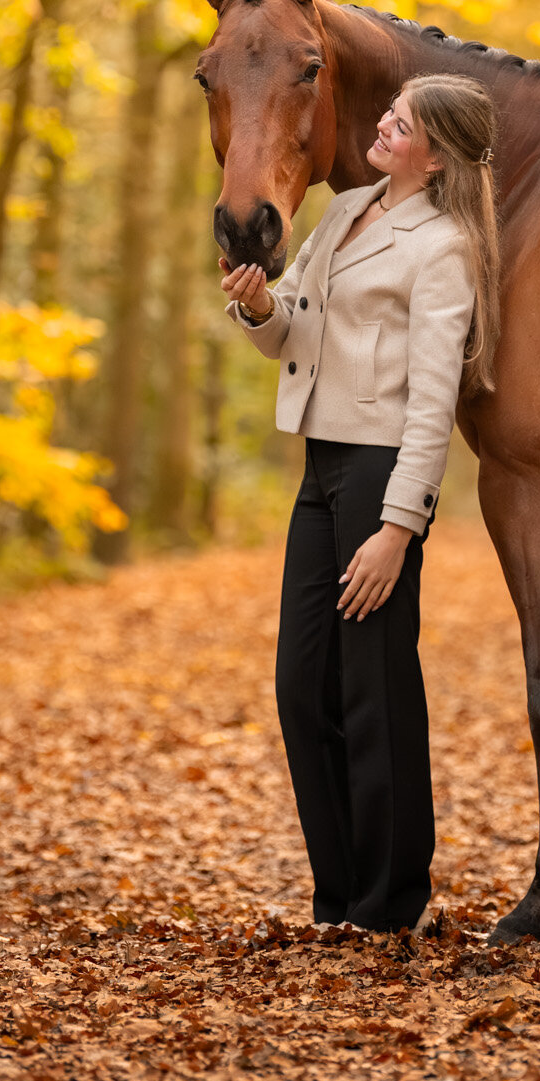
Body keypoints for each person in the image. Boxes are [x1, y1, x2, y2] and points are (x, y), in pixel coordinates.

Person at [220, 73, 500, 932]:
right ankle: (338, 896)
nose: (383, 124)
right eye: (390, 112)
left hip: (382, 475)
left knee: (373, 688)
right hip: (321, 467)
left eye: (402, 122)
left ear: (440, 153)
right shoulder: (344, 213)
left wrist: (397, 528)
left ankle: (389, 903)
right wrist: (263, 306)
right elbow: (293, 328)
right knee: (303, 687)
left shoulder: (444, 247)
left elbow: (431, 399)